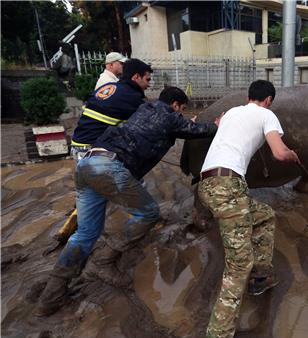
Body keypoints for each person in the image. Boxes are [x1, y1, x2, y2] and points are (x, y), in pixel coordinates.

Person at [34, 87, 217, 317]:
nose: (179, 114)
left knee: (85, 234)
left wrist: (180, 124)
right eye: (180, 110)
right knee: (149, 212)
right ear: (176, 105)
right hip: (108, 168)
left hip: (87, 165)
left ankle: (50, 298)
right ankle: (104, 260)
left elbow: (173, 128)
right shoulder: (168, 115)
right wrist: (216, 125)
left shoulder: (144, 109)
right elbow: (198, 129)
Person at [198, 80, 299, 338]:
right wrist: (292, 155)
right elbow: (279, 153)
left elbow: (219, 124)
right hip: (227, 187)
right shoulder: (267, 114)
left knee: (265, 215)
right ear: (268, 100)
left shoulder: (232, 112)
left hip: (207, 187)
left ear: (247, 97)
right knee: (236, 268)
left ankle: (262, 275)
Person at [52, 59, 153, 245]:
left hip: (78, 146)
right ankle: (142, 223)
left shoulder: (108, 88)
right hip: (95, 151)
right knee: (135, 184)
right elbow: (151, 123)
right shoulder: (132, 97)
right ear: (136, 77)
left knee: (91, 189)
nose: (149, 84)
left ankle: (76, 226)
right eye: (147, 79)